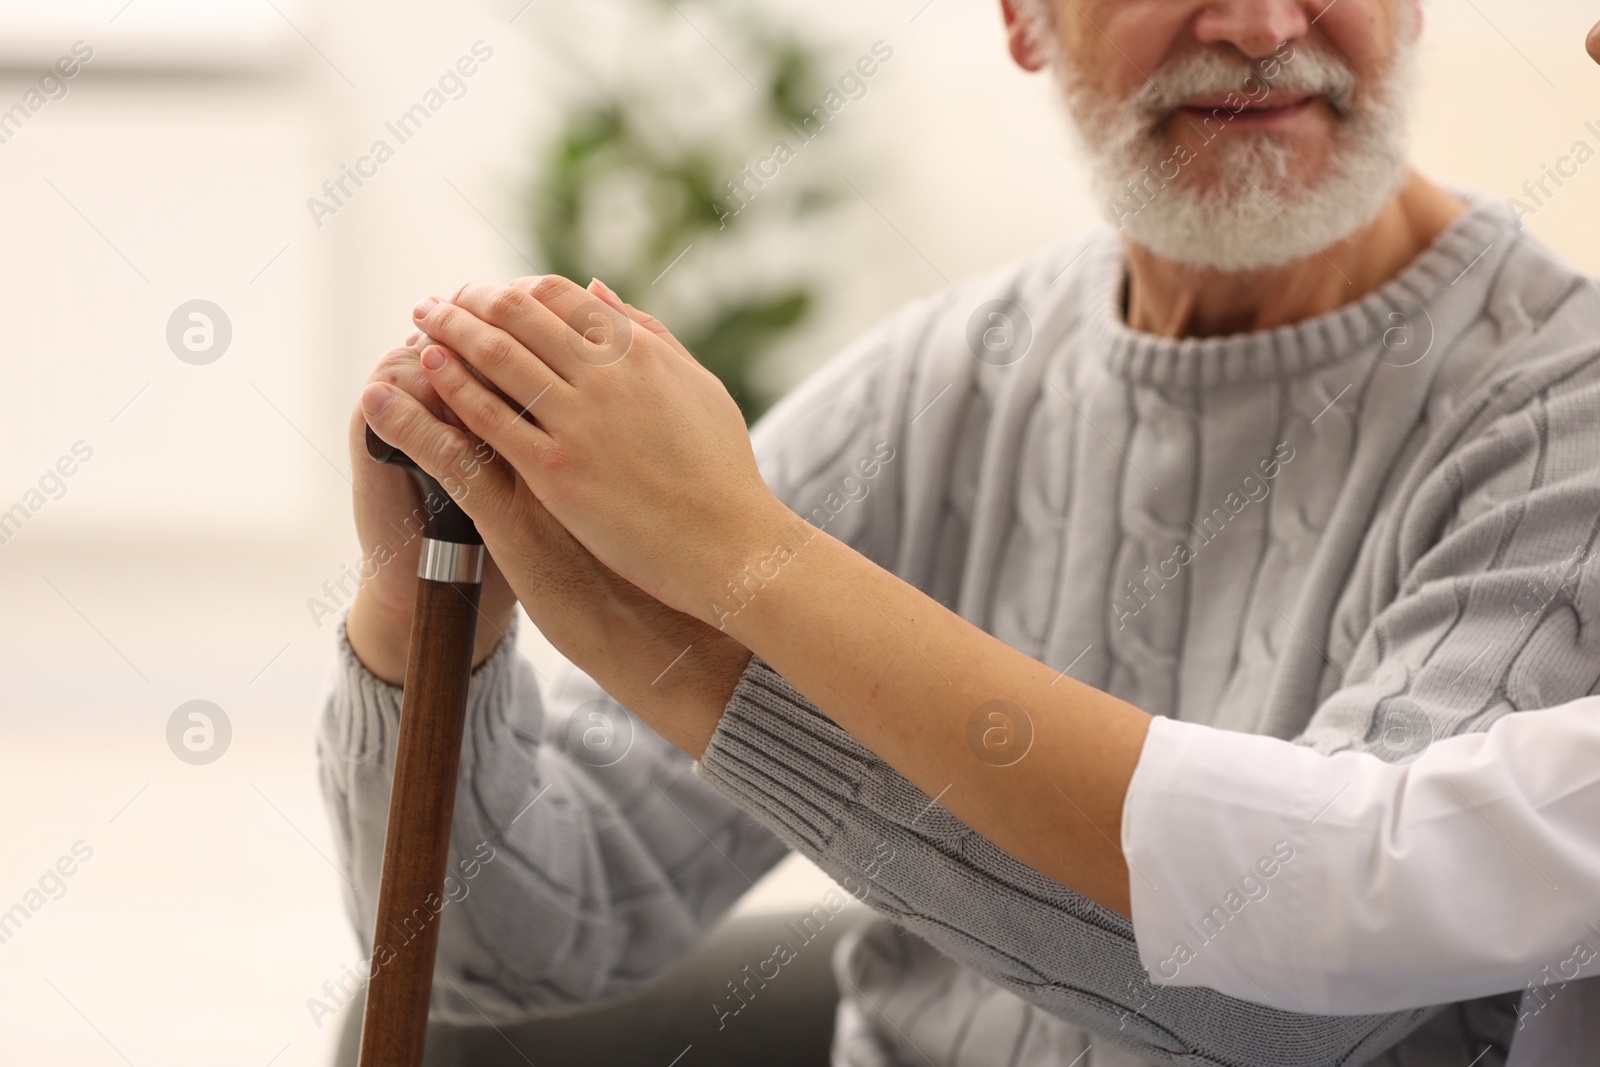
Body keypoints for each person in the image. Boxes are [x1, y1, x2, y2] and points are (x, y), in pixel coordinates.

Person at [323, 1, 1600, 1064]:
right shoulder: (940, 379)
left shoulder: (1562, 412)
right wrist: (422, 607)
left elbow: (1307, 987)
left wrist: (736, 576)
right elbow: (510, 937)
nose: (1261, 24)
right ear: (1022, 19)